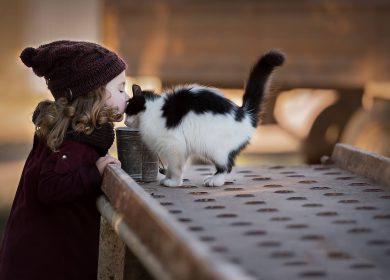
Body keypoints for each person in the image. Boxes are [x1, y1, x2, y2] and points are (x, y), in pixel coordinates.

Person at [0, 40, 129, 280]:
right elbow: (49, 187)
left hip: (43, 259)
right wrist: (95, 172)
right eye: (121, 89)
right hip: (43, 266)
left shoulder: (71, 134)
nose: (127, 96)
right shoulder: (73, 142)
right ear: (94, 94)